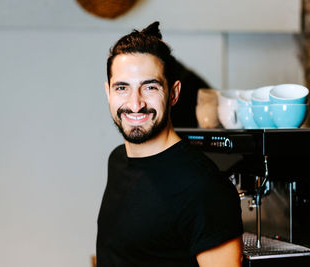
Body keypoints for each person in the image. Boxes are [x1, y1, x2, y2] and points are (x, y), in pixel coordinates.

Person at [97, 21, 244, 267]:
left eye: (150, 87)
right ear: (108, 92)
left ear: (174, 93)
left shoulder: (204, 187)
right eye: (122, 88)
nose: (135, 104)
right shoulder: (118, 160)